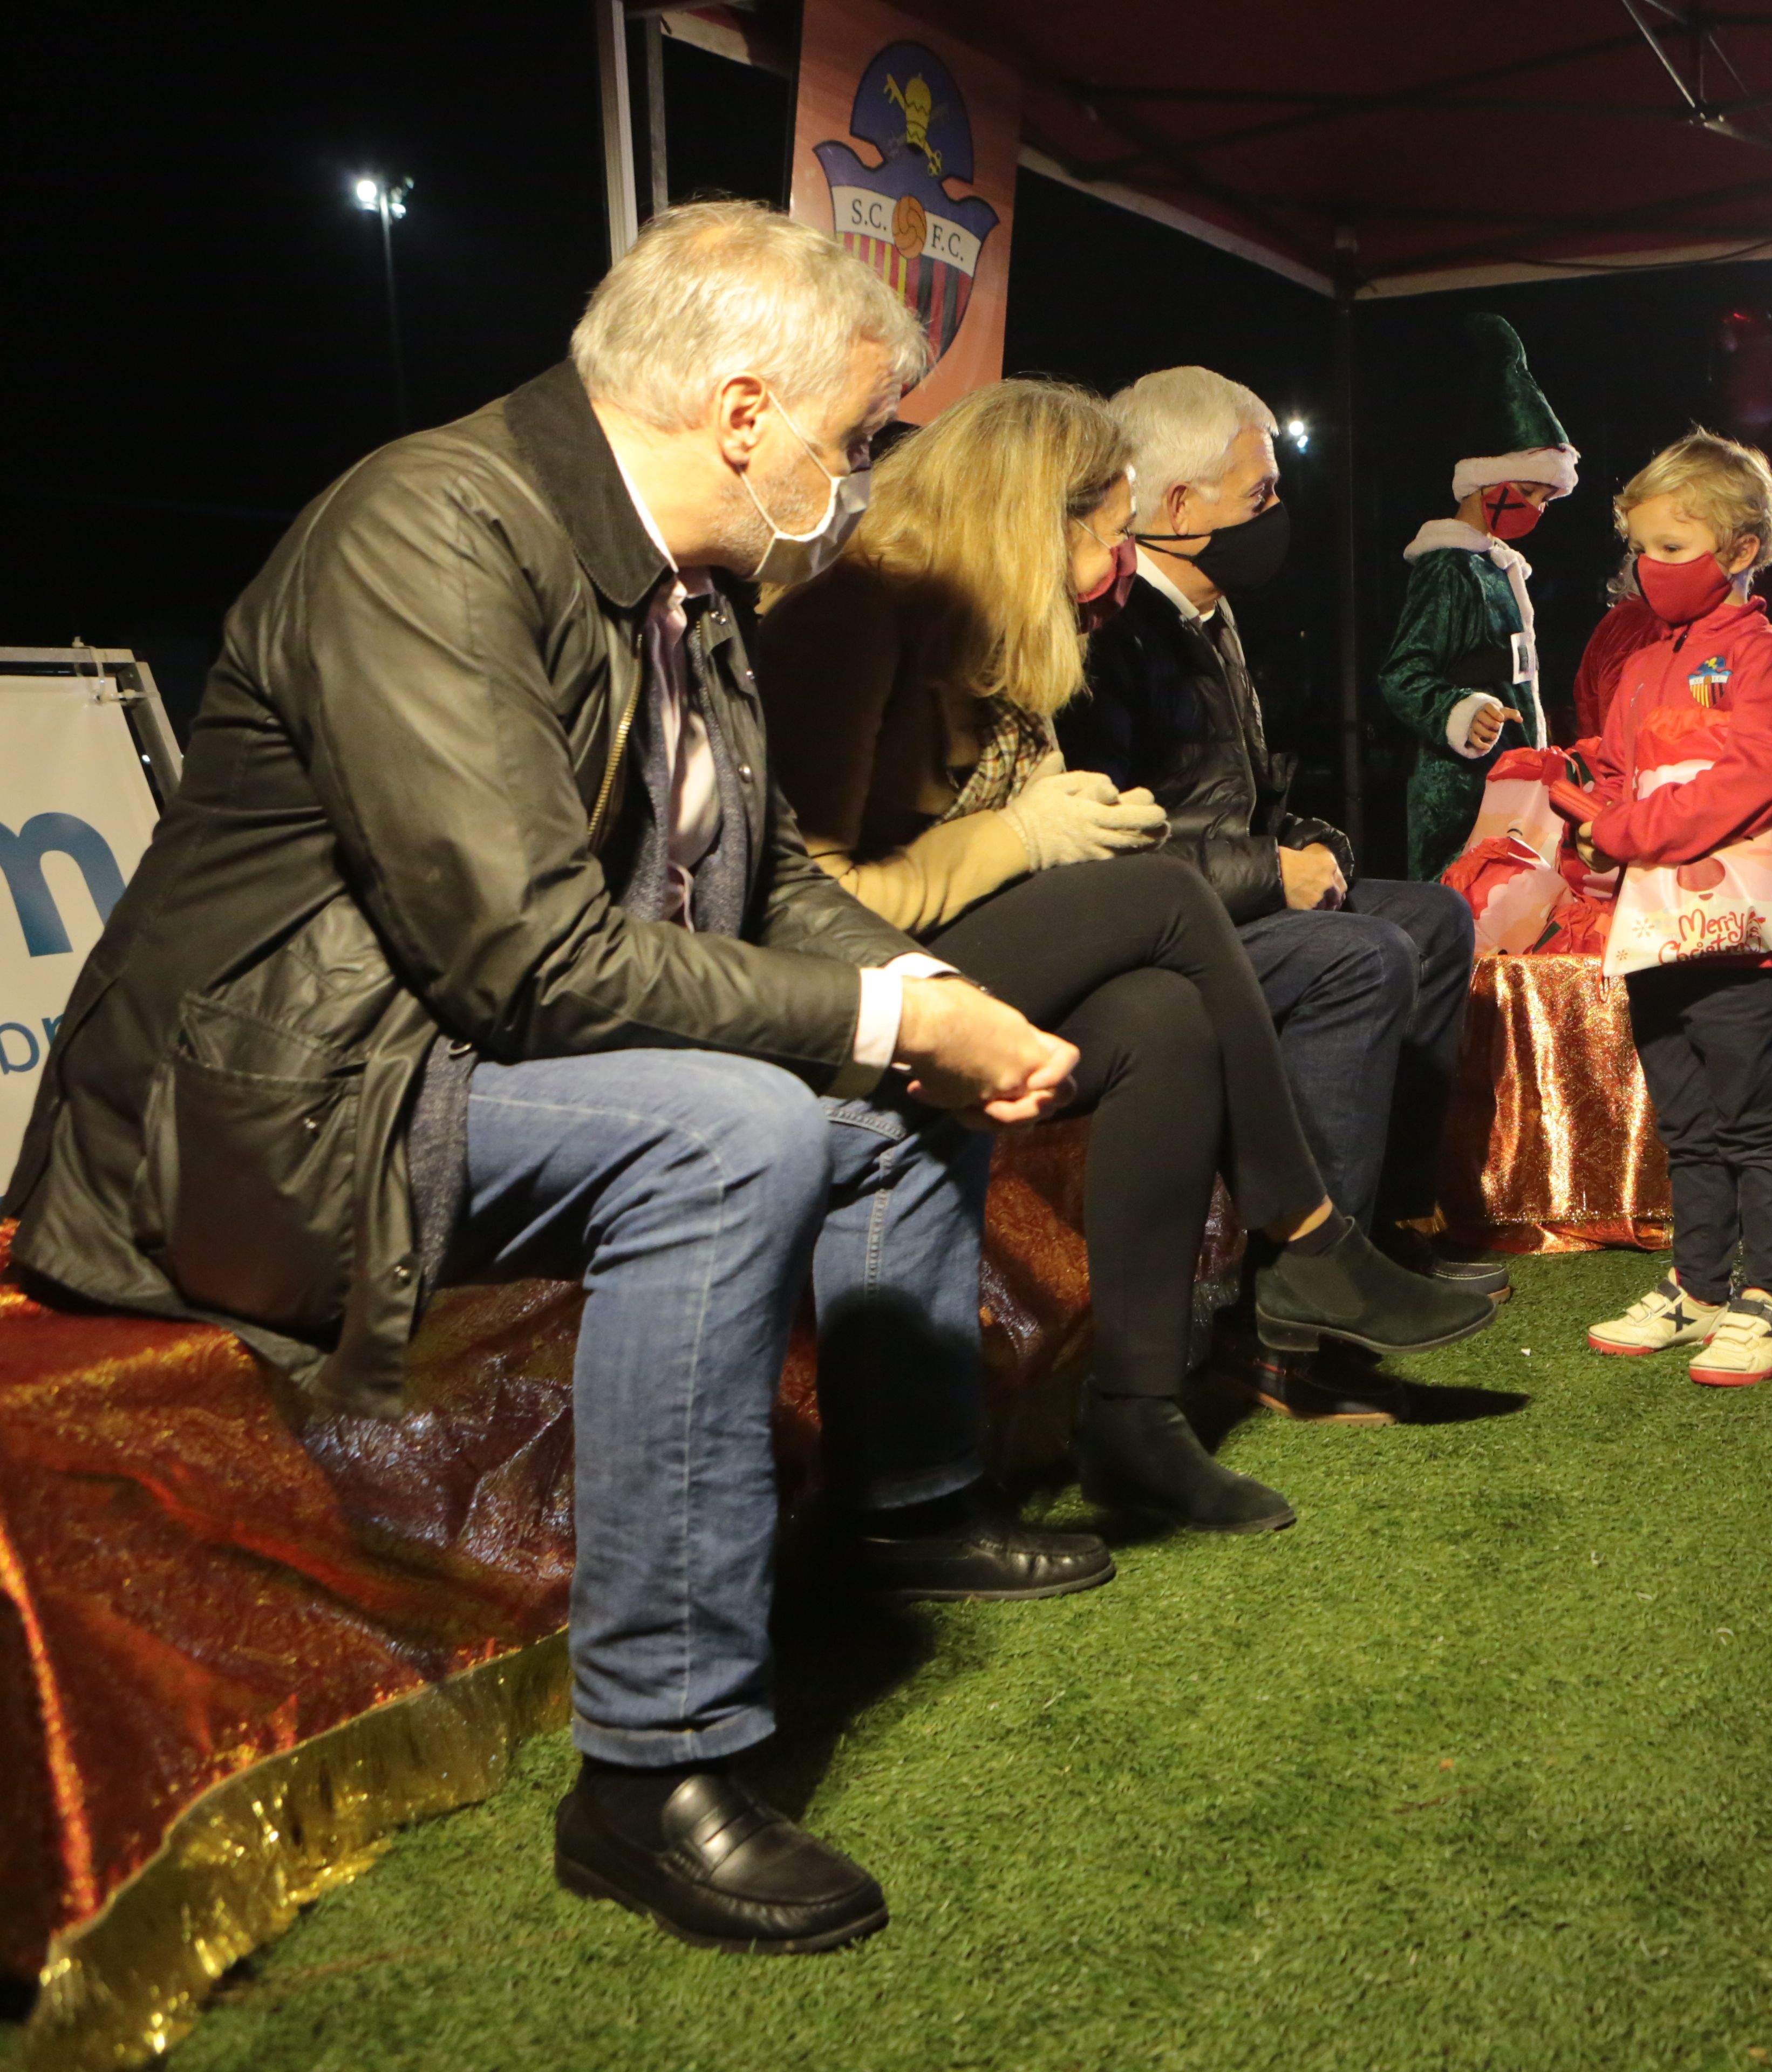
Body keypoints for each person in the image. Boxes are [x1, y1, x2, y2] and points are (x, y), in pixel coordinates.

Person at [3, 202, 1107, 1953]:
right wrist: (888, 1021)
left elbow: (766, 879)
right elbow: (528, 956)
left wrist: (917, 991)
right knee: (744, 1124)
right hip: (267, 1120)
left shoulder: (693, 573)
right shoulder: (427, 527)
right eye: (856, 433)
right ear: (745, 413)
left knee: (889, 1077)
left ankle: (899, 1513)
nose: (864, 474)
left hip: (471, 1060)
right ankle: (651, 1779)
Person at [755, 377, 1497, 1526]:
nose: (1120, 555)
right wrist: (1021, 837)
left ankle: (1135, 1420)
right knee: (1161, 904)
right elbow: (818, 895)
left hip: (957, 955)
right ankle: (1306, 1236)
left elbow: (1034, 817)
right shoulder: (854, 618)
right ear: (1028, 516)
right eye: (1108, 527)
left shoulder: (1006, 623)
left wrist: (1073, 824)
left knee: (1162, 1014)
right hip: (849, 985)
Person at [1061, 366, 1501, 1422]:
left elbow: (1221, 800)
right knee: (1365, 954)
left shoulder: (1209, 614)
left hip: (1217, 894)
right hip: (1144, 935)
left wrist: (1299, 843)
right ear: (1175, 510)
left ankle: (1380, 1239)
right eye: (1257, 497)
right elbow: (1109, 850)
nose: (1277, 518)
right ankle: (1286, 1332)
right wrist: (1270, 872)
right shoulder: (1108, 631)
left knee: (1431, 918)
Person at [1576, 433, 1772, 1387]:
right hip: (1656, 928)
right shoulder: (1643, 657)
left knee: (1753, 1118)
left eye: (1674, 547)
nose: (1651, 567)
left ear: (1742, 548)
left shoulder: (1758, 653)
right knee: (1686, 1120)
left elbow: (1760, 773)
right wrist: (1582, 795)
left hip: (1735, 934)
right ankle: (1700, 1285)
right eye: (1641, 547)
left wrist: (1632, 828)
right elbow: (1627, 769)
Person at [1378, 313, 1578, 880]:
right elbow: (1402, 674)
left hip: (1509, 787)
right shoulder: (1448, 568)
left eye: (1546, 498)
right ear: (1490, 483)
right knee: (1465, 917)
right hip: (1461, 795)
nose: (1537, 510)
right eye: (1530, 492)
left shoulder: (1497, 568)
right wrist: (1459, 711)